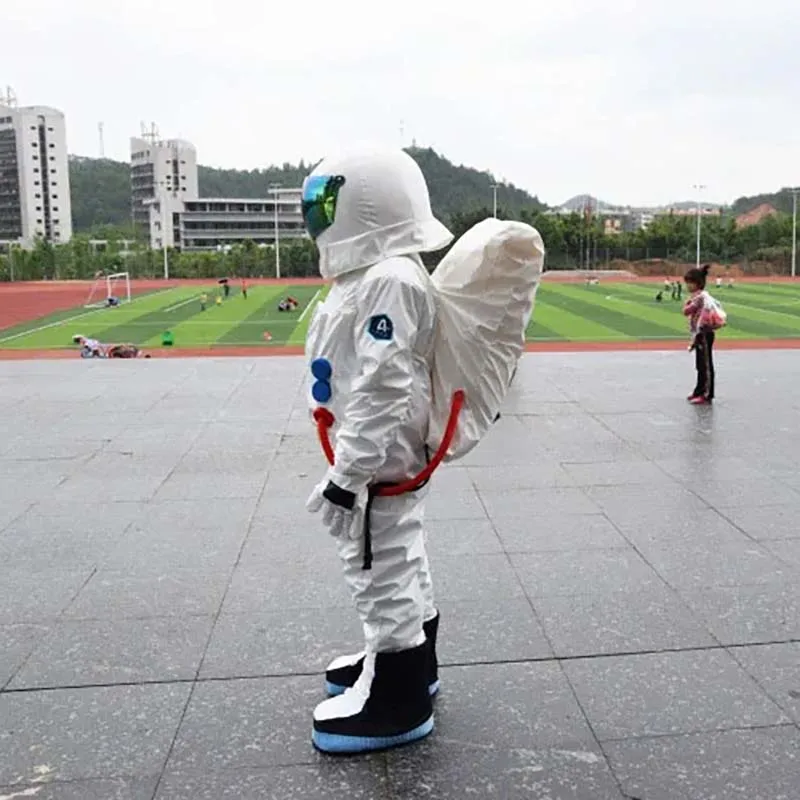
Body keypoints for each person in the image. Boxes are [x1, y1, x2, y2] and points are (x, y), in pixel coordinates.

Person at [302, 149, 453, 755]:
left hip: (378, 463)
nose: (319, 218)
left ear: (370, 206)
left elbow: (382, 383)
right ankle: (409, 663)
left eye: (327, 204)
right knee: (400, 558)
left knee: (378, 564)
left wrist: (348, 474)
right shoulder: (380, 273)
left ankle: (396, 699)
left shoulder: (389, 278)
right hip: (380, 459)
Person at [683, 264, 726, 405]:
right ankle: (699, 390)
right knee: (700, 364)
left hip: (704, 333)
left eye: (689, 283)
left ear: (697, 283)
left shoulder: (701, 297)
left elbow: (687, 310)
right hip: (699, 334)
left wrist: (687, 304)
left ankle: (707, 394)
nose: (687, 286)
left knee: (706, 365)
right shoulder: (698, 297)